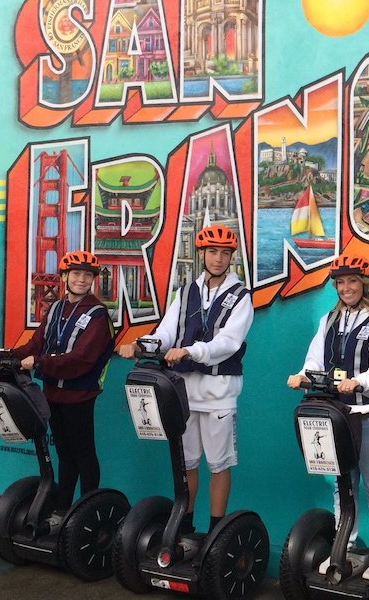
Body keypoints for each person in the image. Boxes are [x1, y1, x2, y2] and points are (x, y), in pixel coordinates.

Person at [117, 223, 253, 532]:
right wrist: (141, 346)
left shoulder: (241, 295)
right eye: (212, 252)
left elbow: (229, 342)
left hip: (219, 391)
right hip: (184, 392)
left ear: (231, 257)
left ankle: (216, 531)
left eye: (224, 253)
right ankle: (186, 526)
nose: (217, 259)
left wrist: (191, 351)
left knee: (218, 463)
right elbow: (166, 332)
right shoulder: (187, 291)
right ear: (202, 254)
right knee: (187, 461)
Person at [286, 254, 369, 581]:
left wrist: (360, 381)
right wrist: (302, 376)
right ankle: (344, 545)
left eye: (353, 281)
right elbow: (314, 360)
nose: (346, 287)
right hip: (338, 416)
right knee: (342, 484)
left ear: (364, 283)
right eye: (341, 282)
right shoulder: (329, 320)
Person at [0, 250, 115, 507]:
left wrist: (39, 362)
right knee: (65, 455)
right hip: (52, 394)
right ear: (65, 277)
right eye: (75, 274)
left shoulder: (98, 314)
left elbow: (82, 359)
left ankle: (87, 510)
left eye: (87, 275)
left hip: (79, 395)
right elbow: (37, 343)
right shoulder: (58, 307)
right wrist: (7, 355)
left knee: (84, 455)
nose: (81, 279)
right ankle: (63, 508)